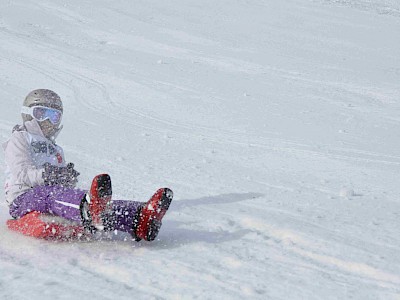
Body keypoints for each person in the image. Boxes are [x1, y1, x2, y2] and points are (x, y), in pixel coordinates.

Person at [3, 89, 173, 241]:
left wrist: (66, 179)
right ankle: (87, 209)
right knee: (51, 194)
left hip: (48, 196)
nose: (48, 120)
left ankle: (138, 218)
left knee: (87, 199)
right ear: (28, 114)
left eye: (53, 116)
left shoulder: (56, 150)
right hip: (22, 198)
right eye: (41, 113)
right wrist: (49, 175)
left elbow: (61, 190)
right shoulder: (20, 138)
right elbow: (23, 173)